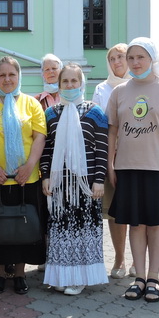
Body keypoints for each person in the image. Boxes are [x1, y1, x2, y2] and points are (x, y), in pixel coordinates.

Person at [106, 37, 159, 303]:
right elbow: (113, 132)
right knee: (135, 224)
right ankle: (138, 277)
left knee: (155, 224)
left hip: (158, 167)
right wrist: (110, 164)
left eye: (140, 57)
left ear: (152, 59)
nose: (135, 62)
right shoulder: (119, 92)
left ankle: (154, 278)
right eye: (131, 57)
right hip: (127, 167)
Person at [0, 56, 47, 295]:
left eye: (11, 74)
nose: (6, 79)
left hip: (26, 178)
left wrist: (30, 165)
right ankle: (1, 274)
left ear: (19, 76)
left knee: (22, 229)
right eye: (1, 75)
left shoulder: (31, 104)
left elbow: (39, 136)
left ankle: (21, 274)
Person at [40, 63, 108, 295]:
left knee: (83, 230)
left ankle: (80, 278)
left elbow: (102, 149)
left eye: (74, 81)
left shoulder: (95, 112)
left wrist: (99, 180)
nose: (70, 85)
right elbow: (47, 149)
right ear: (59, 85)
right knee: (61, 230)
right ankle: (61, 275)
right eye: (65, 82)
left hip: (87, 185)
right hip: (60, 186)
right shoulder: (51, 113)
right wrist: (46, 176)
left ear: (81, 83)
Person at [93, 43, 134, 279]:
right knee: (115, 211)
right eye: (112, 59)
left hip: (138, 155)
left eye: (121, 57)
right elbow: (100, 124)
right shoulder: (102, 88)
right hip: (112, 156)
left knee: (136, 208)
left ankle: (138, 259)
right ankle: (119, 257)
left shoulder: (140, 85)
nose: (117, 62)